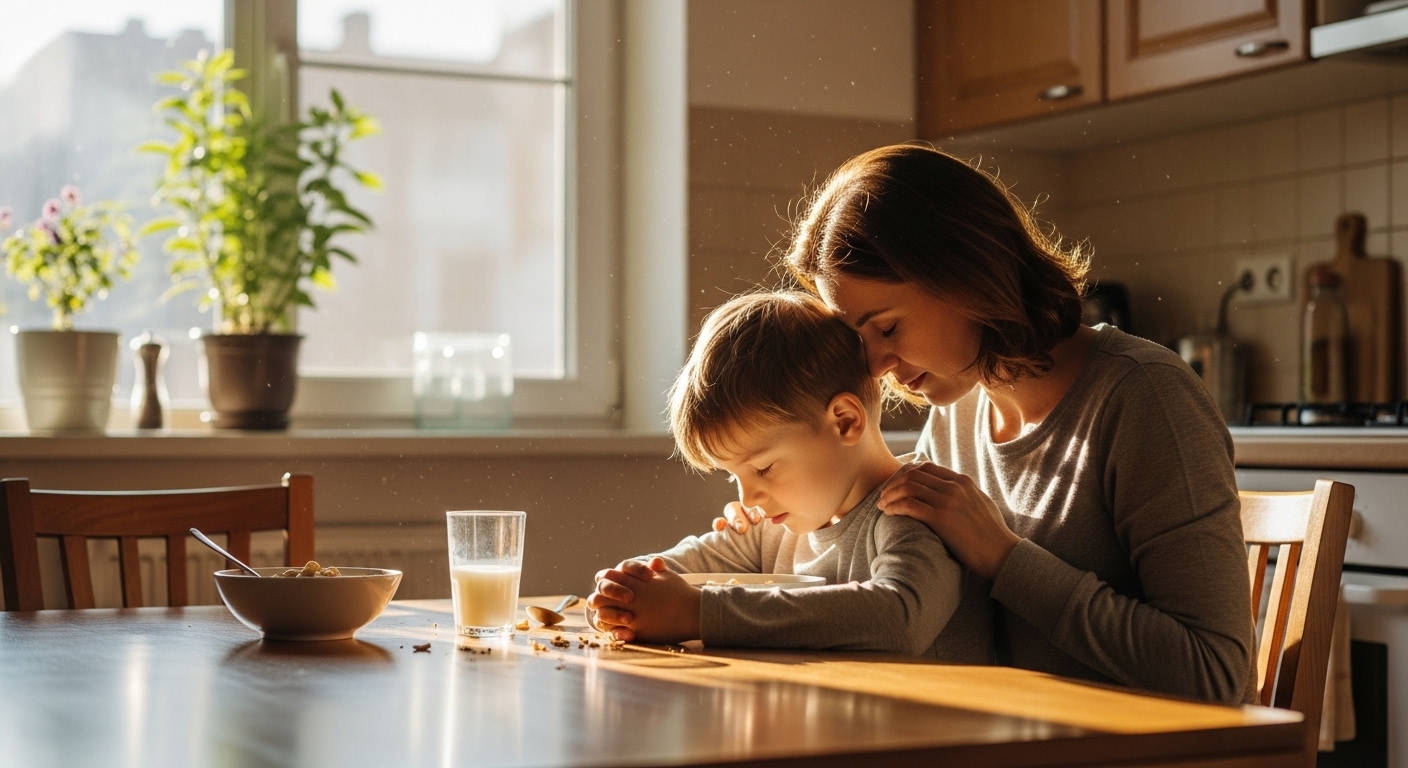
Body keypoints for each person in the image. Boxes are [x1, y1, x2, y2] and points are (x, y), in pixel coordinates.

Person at [717, 144, 1256, 705]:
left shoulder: (1145, 397)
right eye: (861, 342)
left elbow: (1215, 677)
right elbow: (901, 584)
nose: (873, 368)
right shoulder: (958, 414)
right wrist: (782, 523)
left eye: (890, 329)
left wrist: (1003, 556)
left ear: (966, 276)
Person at [588, 291, 991, 661]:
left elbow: (902, 615)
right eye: (735, 476)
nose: (748, 499)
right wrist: (625, 594)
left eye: (763, 468)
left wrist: (699, 613)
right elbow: (675, 569)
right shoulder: (775, 530)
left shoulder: (915, 507)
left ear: (845, 422)